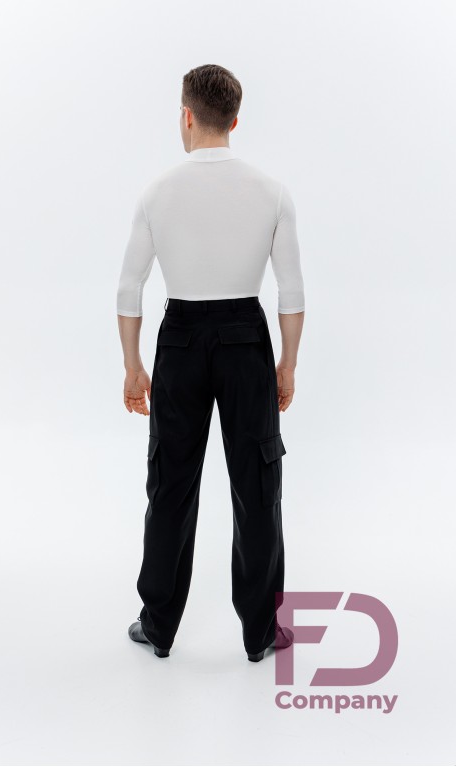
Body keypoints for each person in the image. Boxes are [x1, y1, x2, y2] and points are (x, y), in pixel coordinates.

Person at [117, 64, 305, 661]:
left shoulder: (158, 192)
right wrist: (288, 364)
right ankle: (260, 631)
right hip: (246, 341)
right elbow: (291, 291)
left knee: (171, 483)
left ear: (187, 115)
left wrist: (133, 365)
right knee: (257, 484)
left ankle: (159, 624)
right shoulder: (271, 192)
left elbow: (129, 287)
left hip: (178, 340)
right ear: (235, 120)